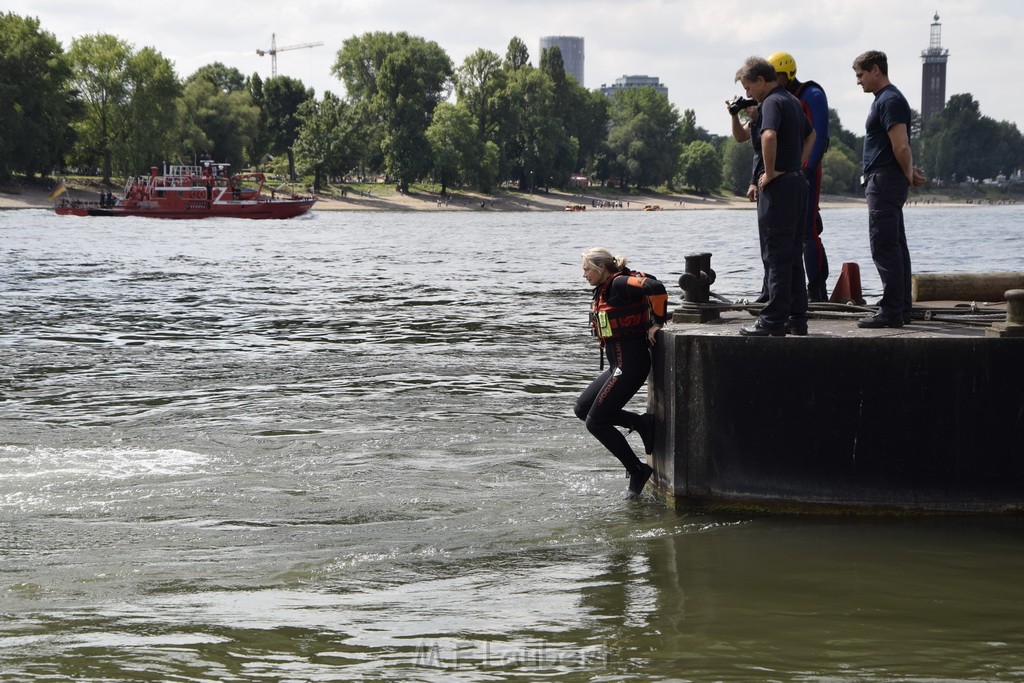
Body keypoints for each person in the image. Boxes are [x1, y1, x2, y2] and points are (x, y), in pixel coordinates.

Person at [574, 247, 669, 499]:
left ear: (601, 269)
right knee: (582, 409)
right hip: (617, 365)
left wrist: (658, 322)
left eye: (586, 269)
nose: (583, 274)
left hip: (632, 365)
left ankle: (637, 470)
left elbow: (655, 287)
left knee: (596, 422)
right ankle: (640, 422)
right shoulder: (605, 288)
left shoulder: (619, 284)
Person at [734, 56, 815, 336]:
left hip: (779, 189)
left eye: (748, 87)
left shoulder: (770, 102)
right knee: (793, 253)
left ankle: (772, 320)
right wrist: (796, 166)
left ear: (761, 80)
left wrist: (770, 172)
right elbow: (811, 135)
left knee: (776, 254)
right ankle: (797, 318)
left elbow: (768, 137)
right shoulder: (791, 100)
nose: (747, 94)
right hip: (797, 184)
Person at [852, 50, 927, 328]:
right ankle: (901, 307)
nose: (858, 82)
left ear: (875, 70)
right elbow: (898, 147)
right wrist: (907, 171)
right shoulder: (885, 100)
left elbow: (900, 145)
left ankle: (892, 310)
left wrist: (907, 173)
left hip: (884, 181)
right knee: (895, 244)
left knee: (884, 244)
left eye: (860, 75)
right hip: (886, 178)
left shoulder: (890, 100)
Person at [768, 51, 830, 302]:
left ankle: (816, 289)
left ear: (787, 73)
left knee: (807, 229)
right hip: (786, 174)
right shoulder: (776, 98)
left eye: (777, 75)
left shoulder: (811, 94)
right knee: (789, 232)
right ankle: (793, 291)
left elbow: (819, 136)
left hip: (805, 172)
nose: (774, 79)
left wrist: (805, 170)